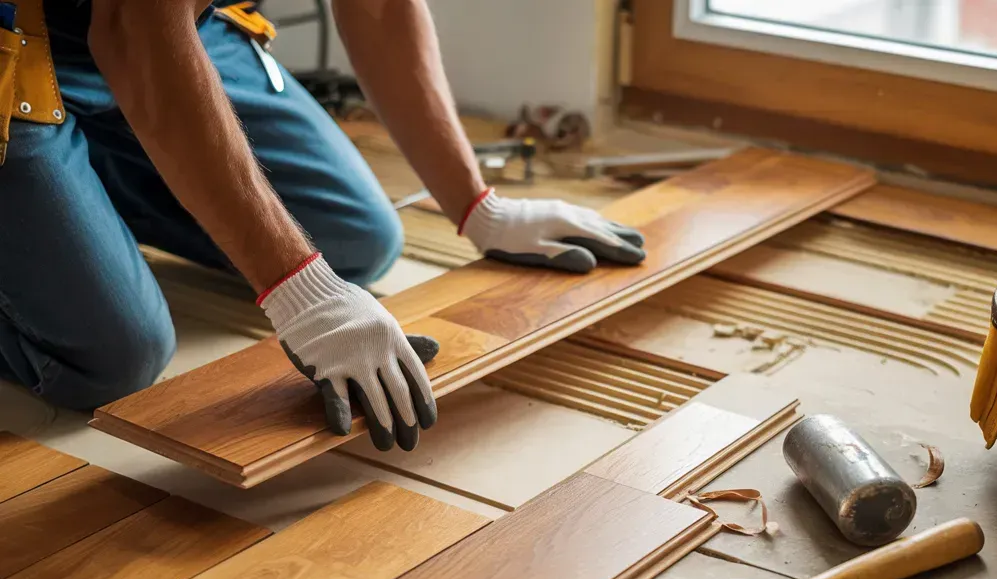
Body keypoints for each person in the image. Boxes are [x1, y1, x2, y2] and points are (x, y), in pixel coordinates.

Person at [0, 0, 646, 452]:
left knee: (353, 241)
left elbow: (381, 9)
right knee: (112, 360)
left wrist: (478, 206)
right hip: (25, 34)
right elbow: (134, 31)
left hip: (152, 22)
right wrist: (300, 297)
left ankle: (88, 177)